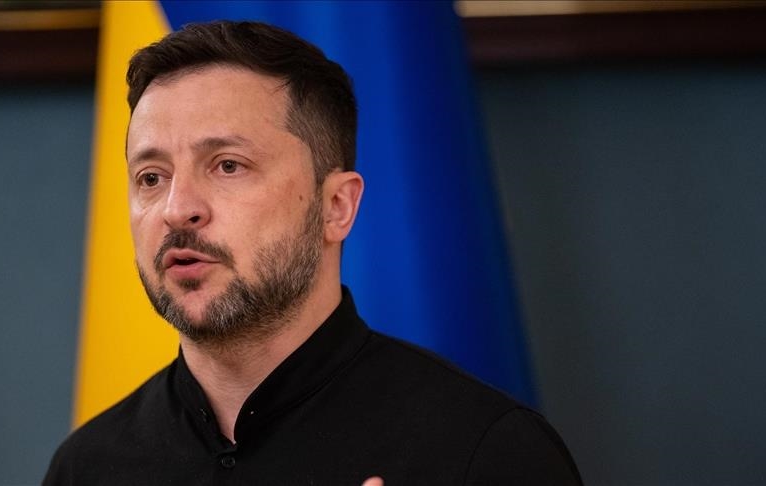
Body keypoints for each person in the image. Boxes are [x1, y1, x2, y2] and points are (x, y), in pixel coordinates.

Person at [44, 20, 582, 485]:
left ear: (336, 206)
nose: (176, 209)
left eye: (228, 165)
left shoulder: (483, 451)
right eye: (151, 177)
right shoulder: (86, 468)